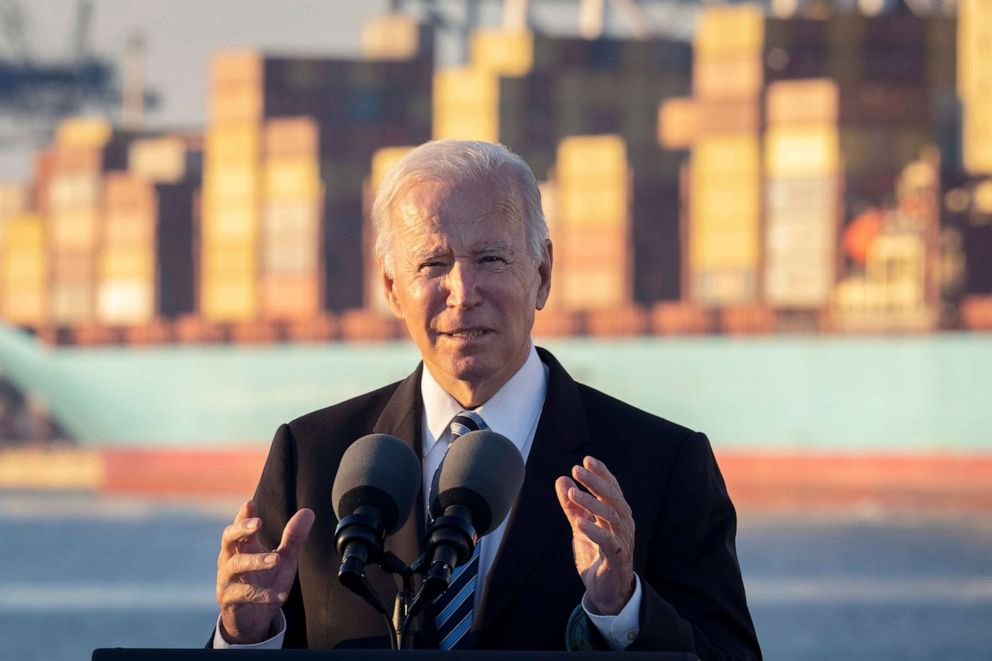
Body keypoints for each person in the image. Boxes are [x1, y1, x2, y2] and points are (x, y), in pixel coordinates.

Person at [212, 140, 761, 658]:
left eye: (491, 260)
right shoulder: (309, 458)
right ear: (390, 288)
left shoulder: (661, 465)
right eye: (432, 264)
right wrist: (245, 637)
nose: (463, 292)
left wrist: (622, 609)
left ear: (542, 274)